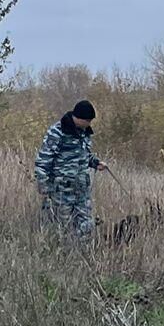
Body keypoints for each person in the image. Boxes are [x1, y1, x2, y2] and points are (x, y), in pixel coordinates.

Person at [33, 100, 107, 238]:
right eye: (87, 121)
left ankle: (83, 254)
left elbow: (83, 154)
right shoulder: (57, 132)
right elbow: (43, 161)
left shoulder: (84, 133)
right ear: (78, 118)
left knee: (86, 224)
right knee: (63, 227)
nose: (89, 124)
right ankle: (63, 254)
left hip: (81, 189)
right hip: (61, 190)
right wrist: (44, 188)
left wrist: (95, 163)